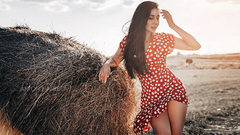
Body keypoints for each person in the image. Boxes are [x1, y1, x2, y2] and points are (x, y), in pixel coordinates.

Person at [99, 1, 201, 135]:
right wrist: (106, 64)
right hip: (151, 99)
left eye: (158, 18)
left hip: (173, 89)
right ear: (142, 18)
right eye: (151, 17)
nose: (156, 22)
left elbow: (195, 46)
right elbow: (115, 60)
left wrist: (173, 25)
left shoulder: (163, 39)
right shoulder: (128, 42)